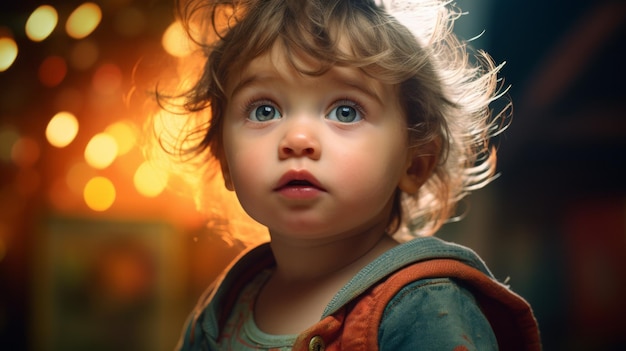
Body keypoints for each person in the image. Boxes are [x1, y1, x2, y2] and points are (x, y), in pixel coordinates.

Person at [152, 0, 541, 349]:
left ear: (414, 162)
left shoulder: (426, 308)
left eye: (345, 111)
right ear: (225, 159)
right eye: (264, 110)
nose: (297, 139)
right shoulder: (223, 310)